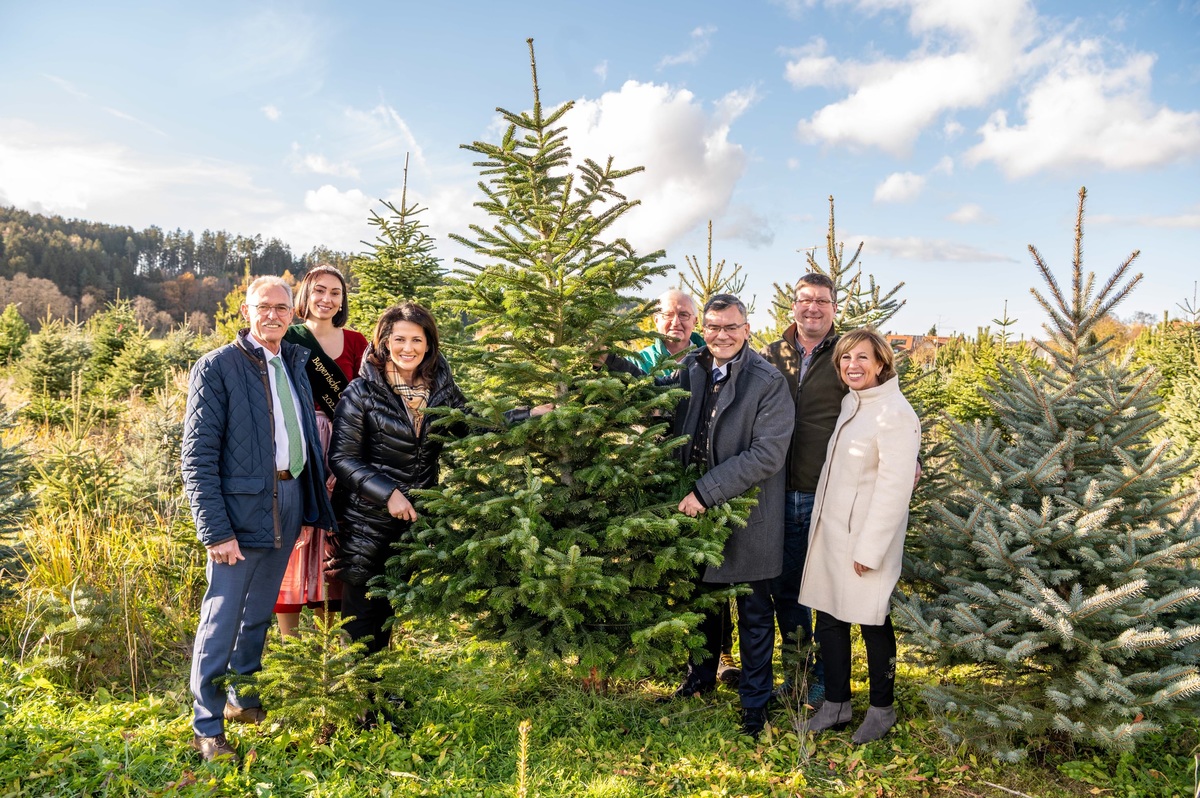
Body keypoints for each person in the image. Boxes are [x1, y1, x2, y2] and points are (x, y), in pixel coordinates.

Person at [182, 276, 336, 762]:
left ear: (293, 314)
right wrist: (215, 530)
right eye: (263, 307)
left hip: (287, 500)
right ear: (246, 312)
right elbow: (198, 457)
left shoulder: (292, 362)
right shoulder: (218, 367)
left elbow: (303, 438)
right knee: (222, 615)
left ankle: (241, 699)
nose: (273, 315)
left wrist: (310, 503)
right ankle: (206, 726)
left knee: (259, 611)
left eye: (282, 308)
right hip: (239, 508)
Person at [666, 293, 793, 738]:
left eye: (731, 327)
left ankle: (754, 704)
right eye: (714, 327)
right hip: (697, 513)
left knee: (754, 613)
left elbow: (767, 453)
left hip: (747, 514)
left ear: (746, 329)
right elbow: (663, 407)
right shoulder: (692, 367)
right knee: (702, 603)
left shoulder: (767, 381)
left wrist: (707, 489)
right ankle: (700, 680)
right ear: (706, 327)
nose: (722, 335)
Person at [797, 328, 920, 744]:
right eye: (846, 358)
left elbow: (893, 489)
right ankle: (836, 702)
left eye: (863, 358)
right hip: (833, 533)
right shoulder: (853, 403)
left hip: (866, 540)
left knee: (873, 622)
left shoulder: (895, 414)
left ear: (881, 363)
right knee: (829, 618)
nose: (853, 365)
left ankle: (882, 709)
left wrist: (869, 548)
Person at [634, 289, 741, 688]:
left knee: (709, 573)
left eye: (684, 315)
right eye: (667, 314)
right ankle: (663, 649)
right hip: (649, 479)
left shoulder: (707, 355)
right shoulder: (642, 362)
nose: (675, 322)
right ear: (655, 319)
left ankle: (720, 655)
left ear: (696, 322)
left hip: (700, 482)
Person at [760, 273, 844, 705]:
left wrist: (913, 458)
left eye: (822, 301)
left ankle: (826, 682)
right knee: (787, 591)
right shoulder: (770, 355)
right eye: (804, 300)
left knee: (826, 590)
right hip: (777, 492)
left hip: (827, 492)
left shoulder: (848, 354)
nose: (813, 307)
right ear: (792, 306)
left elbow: (884, 406)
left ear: (834, 307)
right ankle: (796, 675)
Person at [273, 265, 368, 637]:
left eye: (335, 293)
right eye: (319, 291)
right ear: (306, 295)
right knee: (297, 536)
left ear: (343, 300)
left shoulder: (358, 342)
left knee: (336, 538)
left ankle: (333, 640)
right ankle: (289, 642)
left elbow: (366, 396)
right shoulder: (290, 337)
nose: (327, 299)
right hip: (301, 444)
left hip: (344, 446)